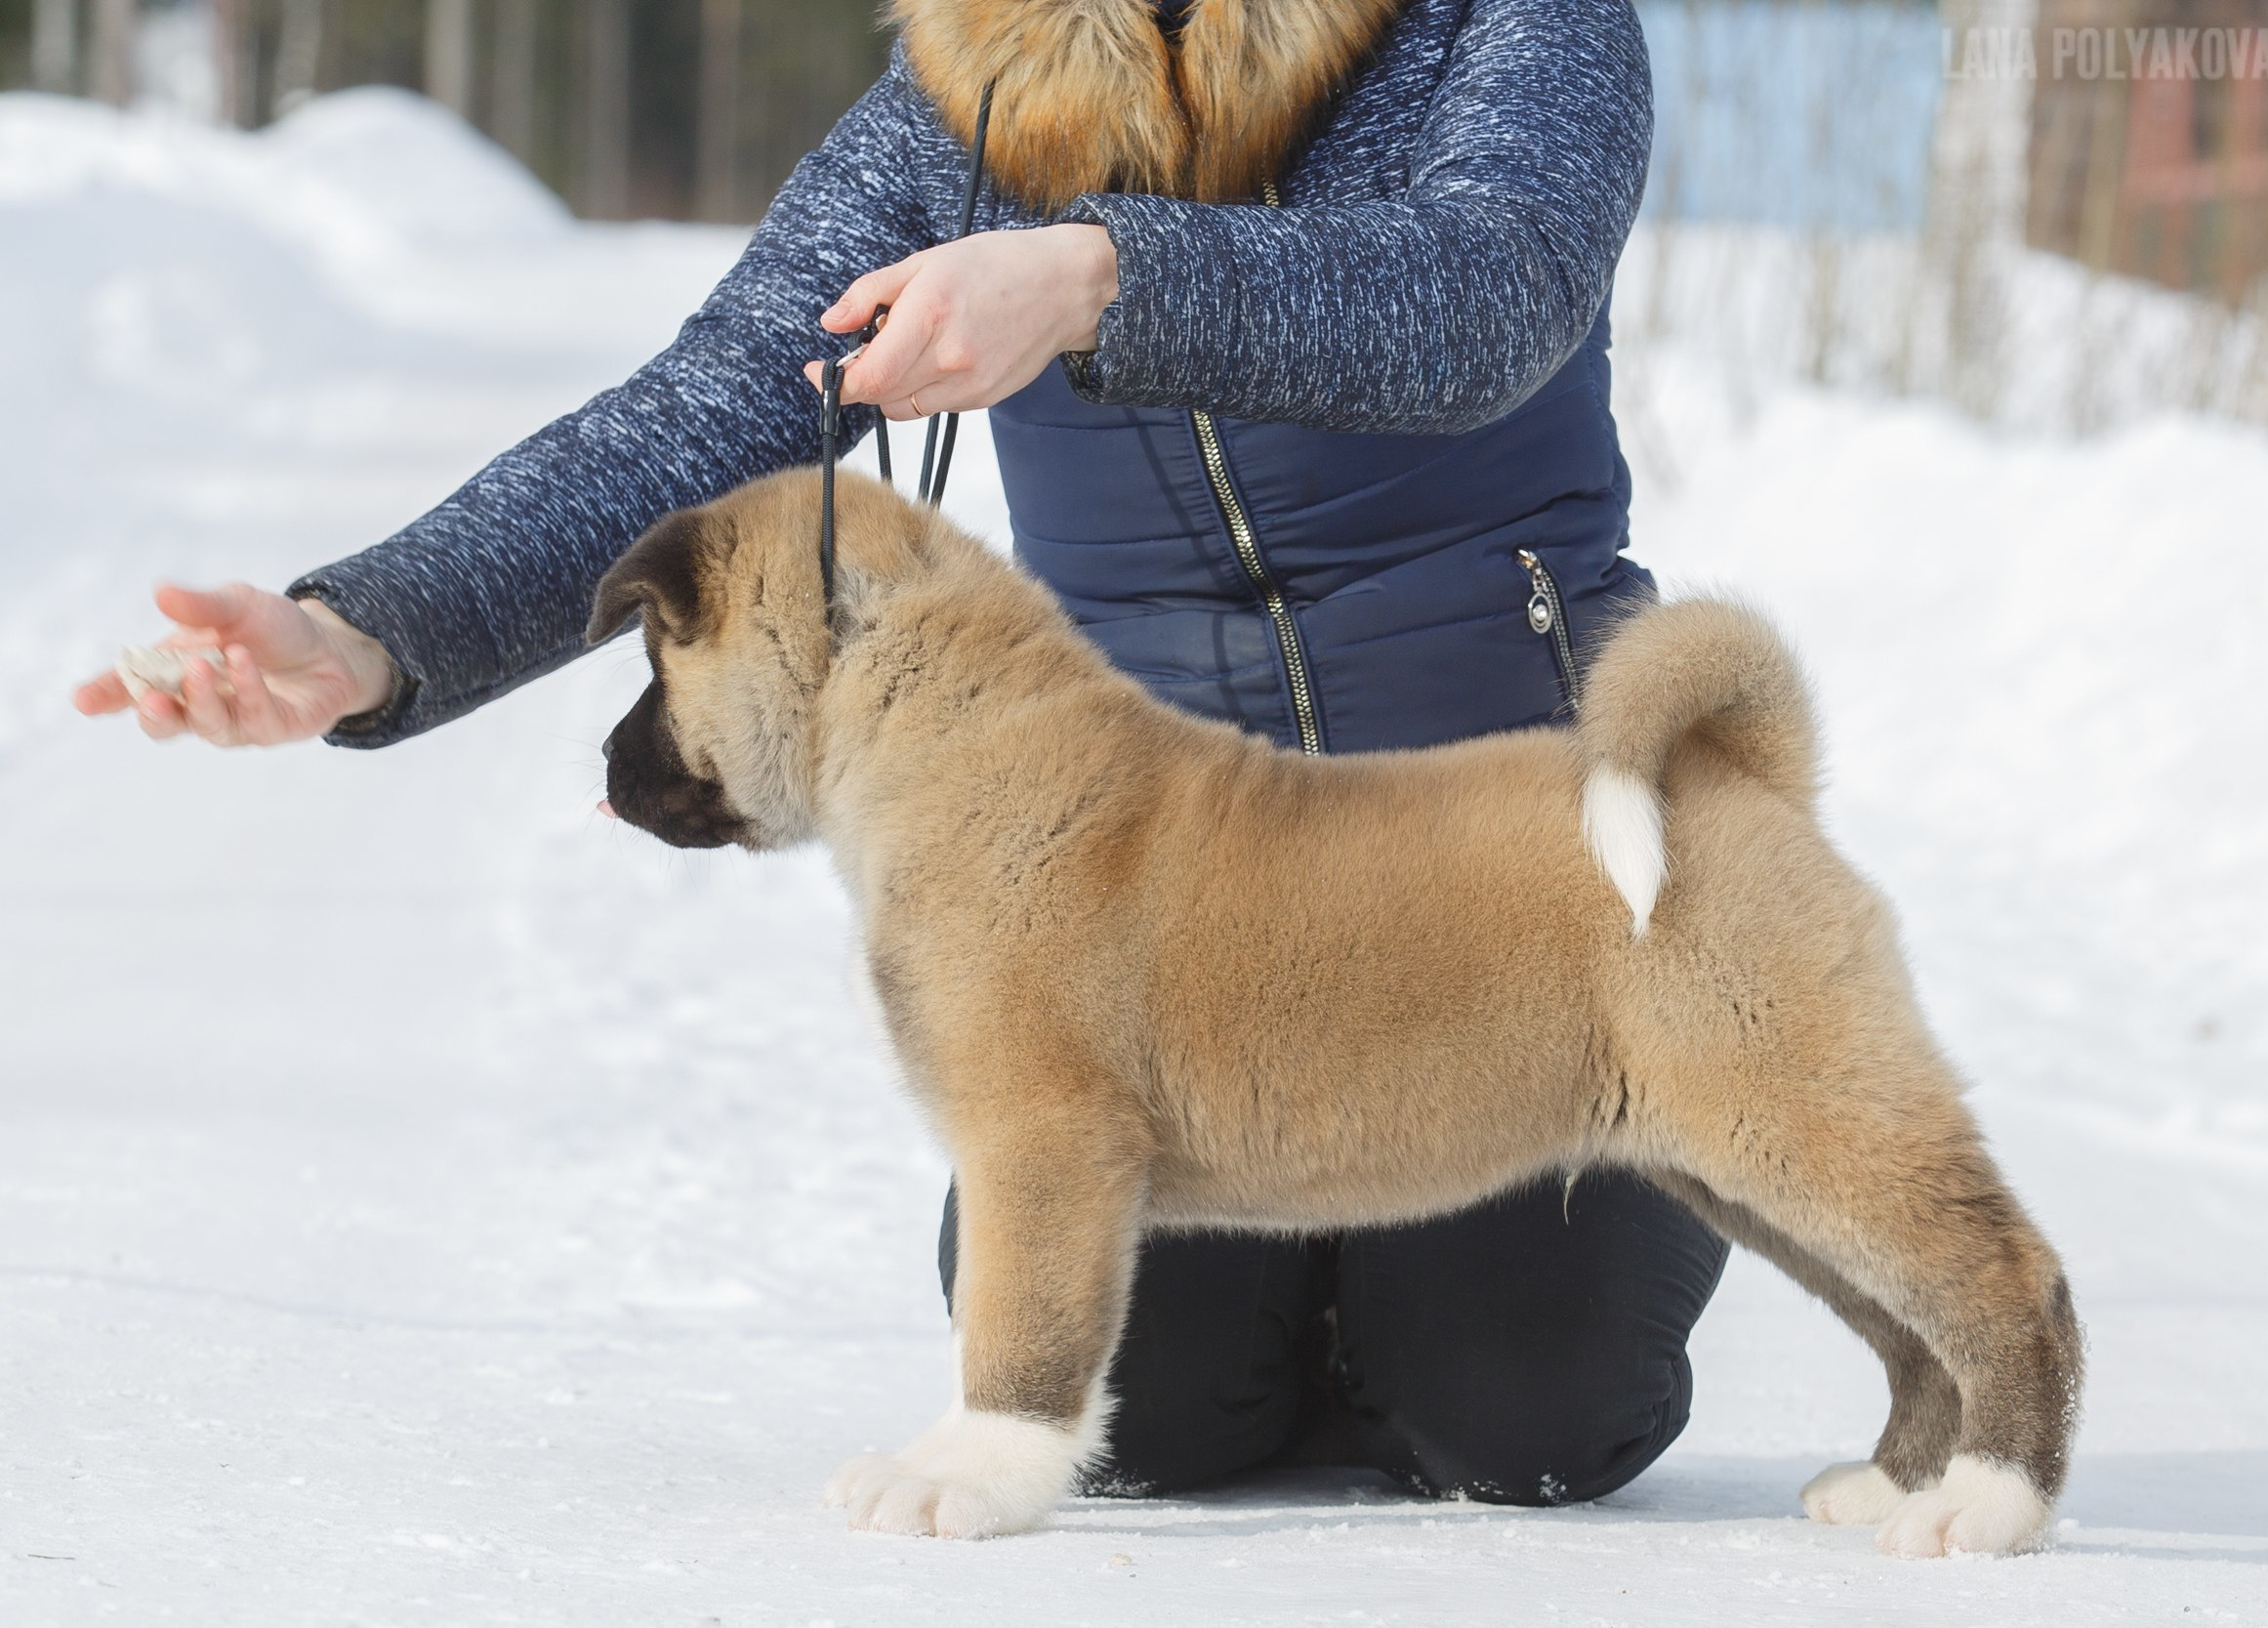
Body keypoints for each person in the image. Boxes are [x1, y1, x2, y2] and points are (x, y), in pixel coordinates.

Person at [74, 0, 1728, 1507]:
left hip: (1515, 865)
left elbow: (1492, 291)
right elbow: (710, 403)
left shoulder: (1508, 24)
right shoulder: (960, 103)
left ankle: (1415, 1320)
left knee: (1533, 1413)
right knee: (1136, 1412)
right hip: (1167, 905)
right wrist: (369, 635)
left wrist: (1094, 273)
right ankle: (1322, 1309)